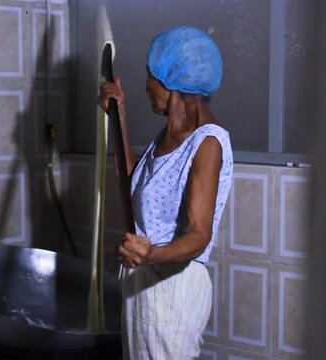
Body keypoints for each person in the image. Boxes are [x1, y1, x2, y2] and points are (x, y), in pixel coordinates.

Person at [98, 26, 233, 359]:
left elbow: (199, 234)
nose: (146, 85)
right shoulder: (169, 136)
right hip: (147, 279)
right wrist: (119, 118)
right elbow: (133, 188)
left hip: (171, 284)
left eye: (150, 74)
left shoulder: (207, 143)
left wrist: (151, 255)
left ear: (170, 79)